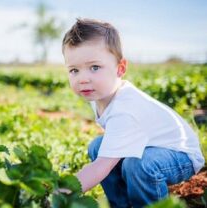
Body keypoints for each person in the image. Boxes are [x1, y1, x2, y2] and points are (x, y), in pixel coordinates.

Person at [61, 18, 205, 207]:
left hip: (180, 154)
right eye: (74, 70)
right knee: (97, 146)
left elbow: (102, 166)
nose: (83, 79)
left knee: (138, 165)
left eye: (94, 67)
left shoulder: (125, 109)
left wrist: (61, 192)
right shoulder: (99, 94)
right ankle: (120, 204)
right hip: (150, 146)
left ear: (120, 68)